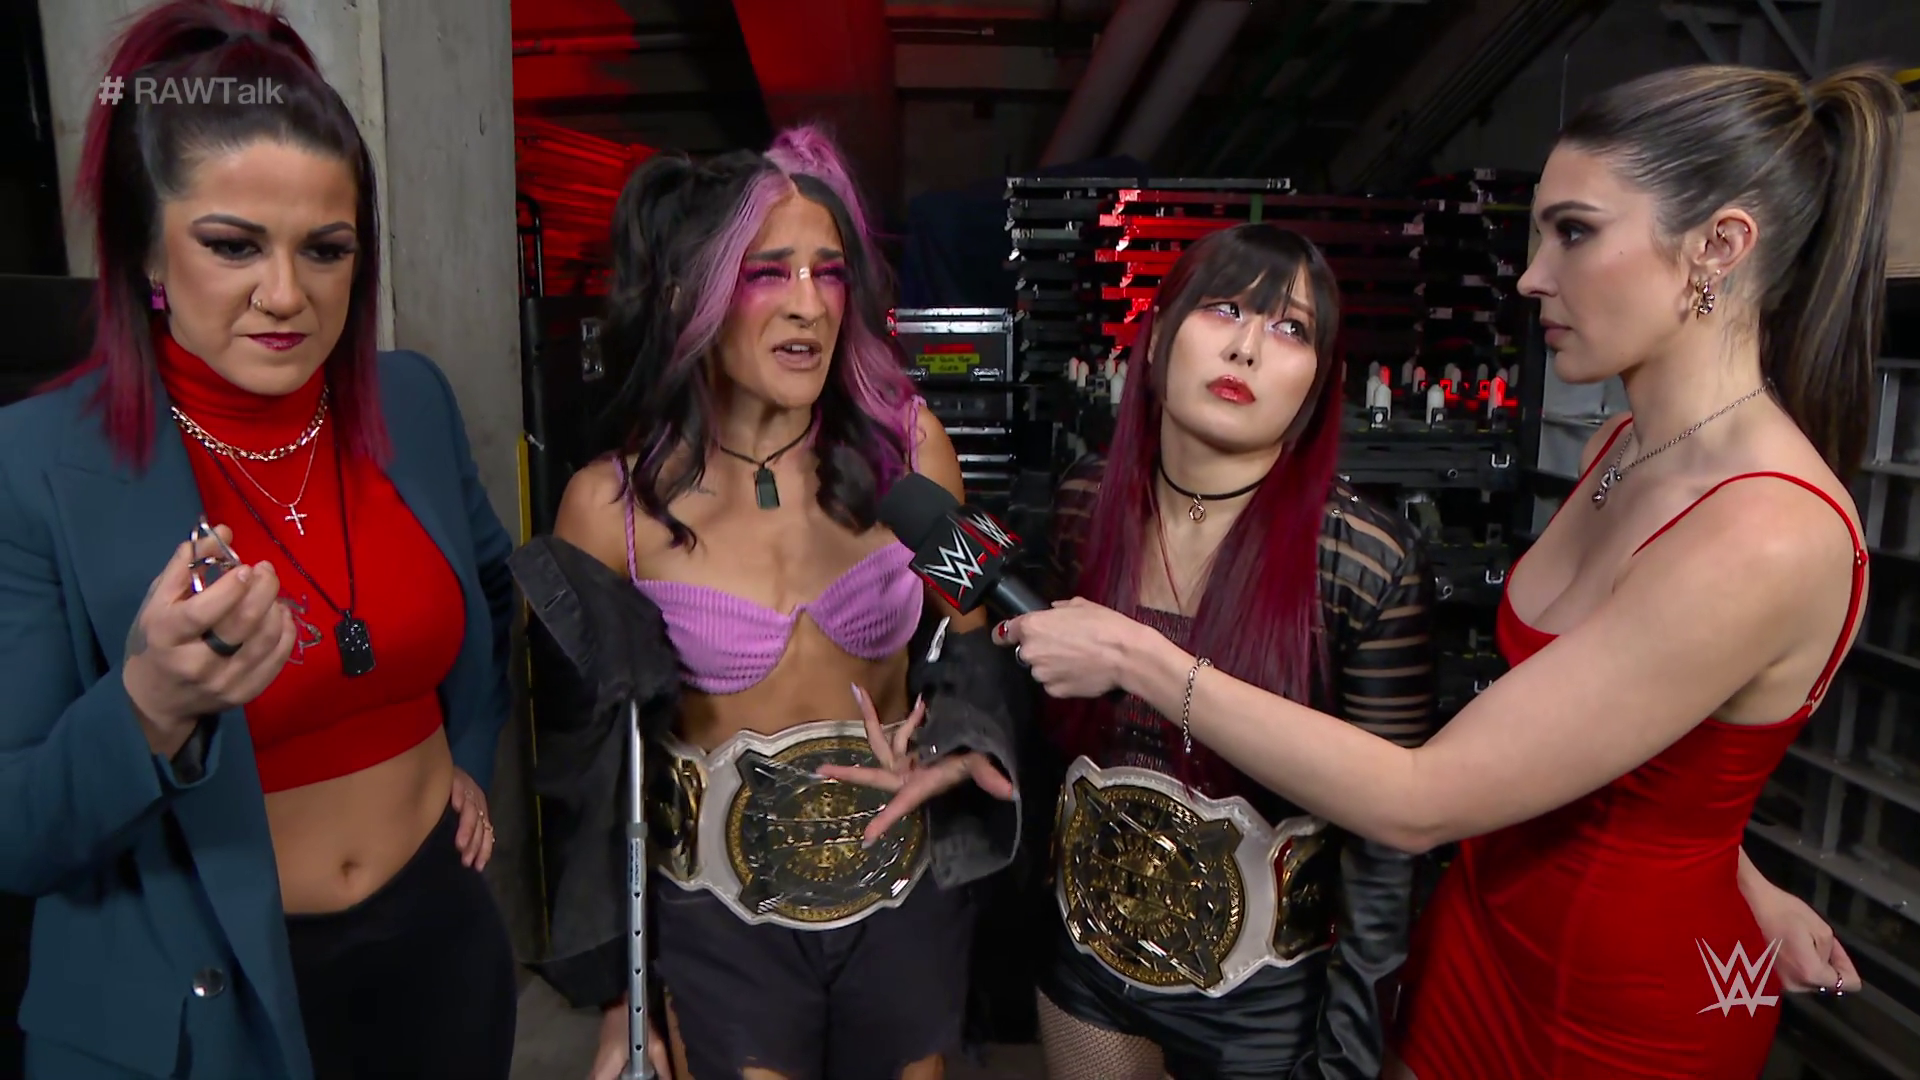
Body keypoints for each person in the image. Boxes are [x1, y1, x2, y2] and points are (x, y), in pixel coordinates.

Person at [995, 63, 1896, 1080]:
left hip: (1611, 1009)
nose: (1530, 277)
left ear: (1719, 246)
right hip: (1476, 939)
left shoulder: (1766, 531)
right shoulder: (1629, 450)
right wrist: (1725, 857)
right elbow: (1614, 732)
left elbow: (1418, 797)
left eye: (1574, 232)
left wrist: (1140, 657)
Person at [0, 2, 518, 1077]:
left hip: (436, 955)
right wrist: (150, 705)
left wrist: (466, 759)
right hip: (211, 1003)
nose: (285, 295)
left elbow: (491, 603)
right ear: (148, 249)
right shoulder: (36, 463)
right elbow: (17, 832)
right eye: (232, 245)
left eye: (326, 250)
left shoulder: (409, 402)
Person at [527, 126, 1024, 1080]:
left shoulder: (912, 447)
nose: (808, 303)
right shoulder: (610, 507)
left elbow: (982, 635)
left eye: (828, 272)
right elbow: (588, 775)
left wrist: (964, 741)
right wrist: (623, 994)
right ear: (693, 294)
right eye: (768, 272)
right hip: (720, 921)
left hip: (900, 896)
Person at [1028, 223, 1436, 1079]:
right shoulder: (1083, 505)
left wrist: (1348, 1057)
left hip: (1265, 998)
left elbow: (1388, 845)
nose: (1247, 348)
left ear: (1318, 384)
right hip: (1090, 961)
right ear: (1154, 342)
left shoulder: (1362, 561)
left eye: (1290, 328)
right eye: (1222, 309)